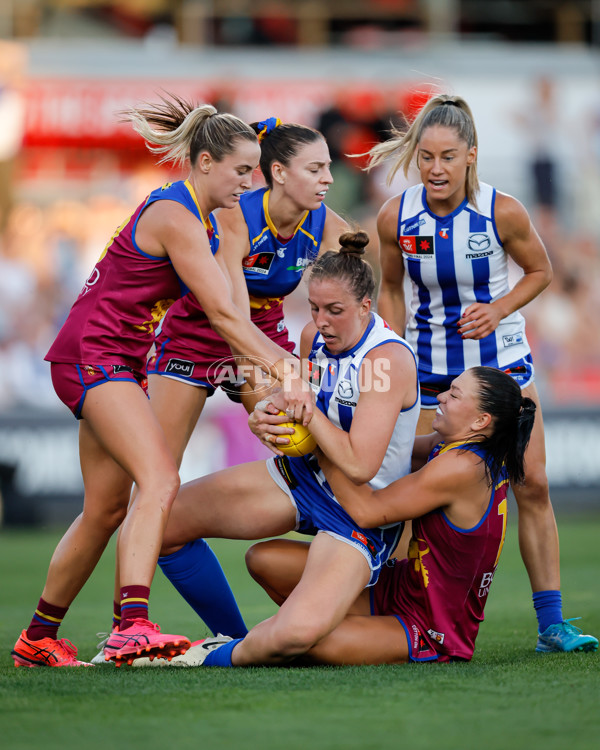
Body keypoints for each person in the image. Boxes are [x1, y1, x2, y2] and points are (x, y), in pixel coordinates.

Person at [11, 95, 312, 669]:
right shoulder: (177, 217)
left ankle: (38, 637)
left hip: (103, 358)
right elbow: (225, 316)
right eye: (242, 169)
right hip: (95, 357)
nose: (252, 181)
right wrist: (288, 367)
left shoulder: (204, 216)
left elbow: (234, 304)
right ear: (203, 163)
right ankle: (131, 627)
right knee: (160, 479)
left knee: (104, 510)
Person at [89, 118, 350, 664]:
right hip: (196, 340)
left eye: (328, 168)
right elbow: (229, 315)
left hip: (261, 339)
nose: (328, 178)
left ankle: (349, 569)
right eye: (317, 168)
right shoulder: (235, 215)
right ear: (277, 174)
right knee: (152, 493)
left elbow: (358, 262)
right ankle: (169, 630)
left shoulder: (323, 221)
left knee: (316, 453)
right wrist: (287, 371)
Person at [368, 93, 597, 653]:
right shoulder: (396, 215)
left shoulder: (504, 211)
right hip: (429, 379)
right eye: (426, 157)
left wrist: (498, 309)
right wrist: (394, 353)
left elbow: (541, 269)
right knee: (407, 495)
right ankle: (393, 613)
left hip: (503, 369)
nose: (436, 168)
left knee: (533, 484)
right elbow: (392, 287)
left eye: (447, 156)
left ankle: (552, 625)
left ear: (472, 155)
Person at [132, 230, 421, 668]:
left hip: (356, 511)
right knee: (164, 524)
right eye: (315, 307)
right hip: (305, 477)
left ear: (366, 307)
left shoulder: (386, 361)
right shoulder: (312, 339)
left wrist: (306, 414)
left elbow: (361, 464)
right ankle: (229, 638)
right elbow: (294, 410)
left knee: (299, 634)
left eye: (335, 311)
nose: (321, 321)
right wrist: (266, 418)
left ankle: (211, 658)